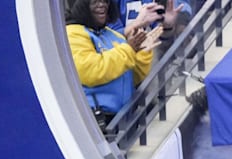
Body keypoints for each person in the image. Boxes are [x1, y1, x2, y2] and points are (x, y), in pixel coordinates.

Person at [65, 0, 161, 130]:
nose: (102, 4)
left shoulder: (113, 34)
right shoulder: (72, 34)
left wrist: (142, 53)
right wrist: (129, 50)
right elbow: (91, 71)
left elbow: (131, 78)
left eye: (105, 1)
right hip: (96, 124)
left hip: (125, 120)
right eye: (94, 1)